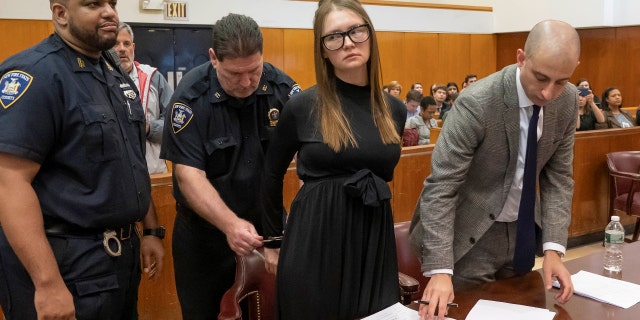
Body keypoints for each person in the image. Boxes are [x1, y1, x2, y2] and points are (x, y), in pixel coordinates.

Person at [0, 1, 164, 319]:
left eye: (112, 3)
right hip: (65, 264)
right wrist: (47, 284)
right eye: (93, 4)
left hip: (116, 260)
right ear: (61, 13)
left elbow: (130, 163)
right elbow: (9, 183)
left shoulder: (113, 73)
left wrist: (151, 231)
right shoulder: (37, 73)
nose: (109, 12)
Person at [409, 20, 579, 320]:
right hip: (468, 234)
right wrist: (440, 269)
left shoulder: (567, 101)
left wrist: (553, 248)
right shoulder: (476, 103)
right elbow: (441, 187)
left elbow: (558, 178)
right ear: (521, 58)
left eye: (561, 81)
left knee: (521, 309)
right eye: (541, 77)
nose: (548, 93)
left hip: (522, 230)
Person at [260, 0, 406, 318]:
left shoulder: (395, 110)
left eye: (356, 31)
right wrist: (272, 241)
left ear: (371, 35)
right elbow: (270, 175)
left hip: (372, 240)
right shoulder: (302, 107)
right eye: (334, 37)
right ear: (323, 50)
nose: (348, 42)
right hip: (315, 240)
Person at [160, 13, 301, 319]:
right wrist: (229, 224)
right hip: (206, 238)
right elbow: (188, 175)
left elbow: (312, 155)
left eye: (254, 70)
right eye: (235, 74)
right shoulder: (190, 98)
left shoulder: (282, 89)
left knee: (277, 311)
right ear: (213, 58)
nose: (247, 82)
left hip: (269, 231)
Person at [115, 22, 174, 174]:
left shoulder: (153, 77)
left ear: (133, 48)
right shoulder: (98, 80)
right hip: (115, 175)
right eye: (115, 43)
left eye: (126, 43)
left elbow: (174, 120)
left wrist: (149, 129)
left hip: (152, 172)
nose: (122, 48)